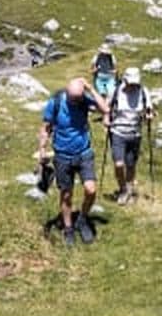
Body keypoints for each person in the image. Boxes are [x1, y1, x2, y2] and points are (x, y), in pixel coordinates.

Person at [39, 77, 109, 246]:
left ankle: (82, 219)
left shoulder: (84, 100)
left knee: (91, 190)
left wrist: (91, 89)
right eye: (72, 98)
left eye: (78, 98)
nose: (75, 102)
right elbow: (46, 127)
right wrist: (42, 148)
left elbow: (106, 109)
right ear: (67, 93)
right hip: (62, 156)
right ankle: (68, 228)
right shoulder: (55, 102)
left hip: (84, 153)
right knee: (66, 194)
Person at [104, 67, 154, 205]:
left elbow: (149, 109)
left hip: (135, 133)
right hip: (118, 132)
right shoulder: (115, 91)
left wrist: (149, 115)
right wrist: (106, 118)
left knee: (131, 165)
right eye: (130, 82)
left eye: (135, 83)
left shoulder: (143, 91)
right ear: (125, 80)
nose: (133, 85)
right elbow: (106, 107)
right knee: (119, 164)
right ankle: (123, 189)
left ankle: (129, 189)